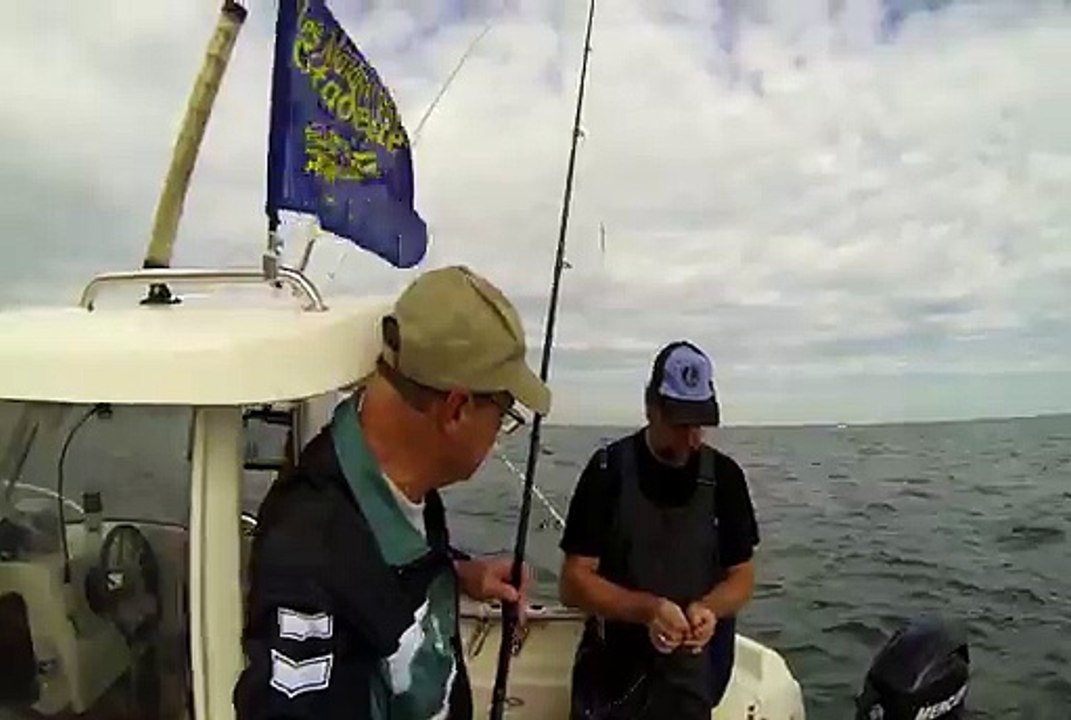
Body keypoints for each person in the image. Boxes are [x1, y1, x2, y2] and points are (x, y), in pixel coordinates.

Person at [233, 265, 552, 720]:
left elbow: (382, 577)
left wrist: (459, 574)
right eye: (503, 415)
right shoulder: (307, 555)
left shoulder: (409, 483)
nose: (501, 431)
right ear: (457, 408)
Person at [558, 340, 759, 720]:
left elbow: (743, 577)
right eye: (679, 423)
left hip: (692, 680)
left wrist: (708, 609)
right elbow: (573, 582)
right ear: (650, 407)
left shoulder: (727, 478)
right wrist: (648, 610)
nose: (691, 438)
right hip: (612, 675)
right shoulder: (607, 472)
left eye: (698, 423)